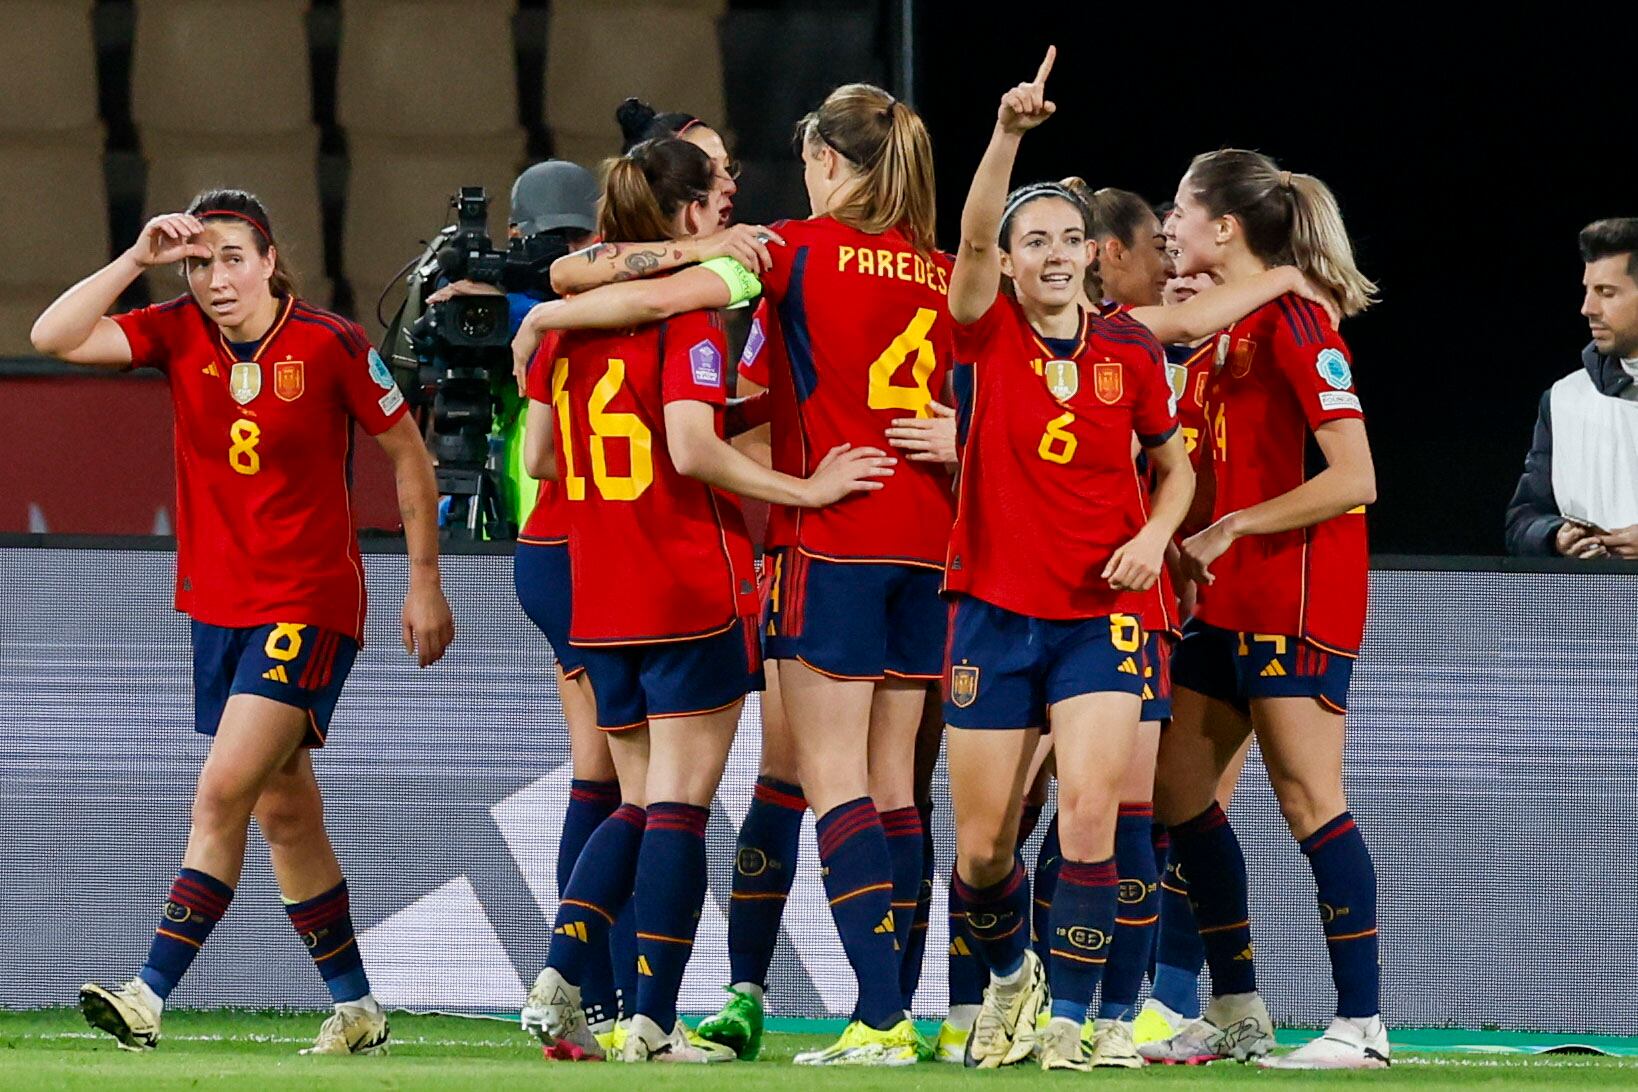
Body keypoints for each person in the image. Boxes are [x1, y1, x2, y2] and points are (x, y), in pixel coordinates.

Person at [514, 81, 957, 1068]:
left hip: (829, 535)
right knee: (896, 786)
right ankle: (904, 1012)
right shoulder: (943, 269)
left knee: (818, 780)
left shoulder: (794, 250)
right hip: (927, 541)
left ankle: (877, 1018)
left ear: (829, 162)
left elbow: (635, 294)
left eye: (804, 162)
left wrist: (548, 318)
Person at [29, 189, 454, 1055]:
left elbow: (407, 453)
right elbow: (53, 337)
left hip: (308, 600)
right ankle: (358, 1011)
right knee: (283, 812)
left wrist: (424, 581)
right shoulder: (177, 330)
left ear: (268, 262)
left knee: (222, 791)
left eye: (231, 259)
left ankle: (147, 994)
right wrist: (136, 258)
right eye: (198, 263)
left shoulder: (330, 342)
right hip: (217, 606)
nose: (215, 279)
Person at [939, 48, 1194, 1072]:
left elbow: (1174, 470)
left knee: (1093, 814)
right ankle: (1013, 978)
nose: (1053, 254)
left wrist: (1152, 538)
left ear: (1092, 253)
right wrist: (1007, 134)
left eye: (1067, 239)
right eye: (1033, 240)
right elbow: (969, 233)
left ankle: (1073, 1021)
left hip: (1102, 613)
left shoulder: (1130, 349)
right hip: (994, 608)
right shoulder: (983, 330)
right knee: (982, 851)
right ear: (1006, 262)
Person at [1142, 148, 1384, 1069]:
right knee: (1178, 794)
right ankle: (1237, 1006)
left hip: (1297, 593)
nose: (1170, 225)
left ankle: (1360, 1024)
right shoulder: (1219, 334)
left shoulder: (1298, 323)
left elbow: (1355, 477)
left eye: (1181, 209)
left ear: (1225, 227)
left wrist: (1233, 525)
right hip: (1224, 597)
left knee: (1309, 800)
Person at [1505, 218, 1638, 558]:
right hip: (1590, 594)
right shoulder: (1564, 399)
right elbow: (1523, 522)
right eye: (1588, 290)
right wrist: (1555, 537)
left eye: (1606, 292)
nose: (1587, 308)